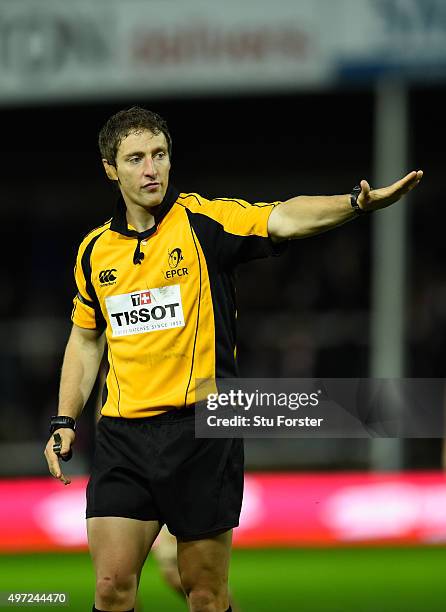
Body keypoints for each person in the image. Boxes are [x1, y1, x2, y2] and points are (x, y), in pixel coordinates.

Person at [44, 106, 422, 612]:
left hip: (202, 432)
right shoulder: (95, 251)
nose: (151, 168)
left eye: (159, 154)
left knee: (204, 593)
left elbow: (282, 217)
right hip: (123, 438)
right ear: (111, 168)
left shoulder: (206, 221)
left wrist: (355, 204)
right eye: (135, 159)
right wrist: (66, 418)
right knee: (111, 589)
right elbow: (86, 341)